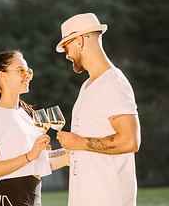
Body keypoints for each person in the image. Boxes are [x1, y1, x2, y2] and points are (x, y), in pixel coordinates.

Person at [55, 13, 141, 206]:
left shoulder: (113, 84)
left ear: (79, 41)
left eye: (66, 47)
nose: (67, 55)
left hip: (107, 199)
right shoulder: (87, 85)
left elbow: (130, 141)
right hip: (84, 197)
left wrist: (79, 142)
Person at [0, 50, 69, 206]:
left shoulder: (29, 115)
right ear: (2, 76)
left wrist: (72, 153)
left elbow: (41, 160)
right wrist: (30, 155)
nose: (27, 75)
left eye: (29, 71)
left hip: (33, 195)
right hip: (8, 198)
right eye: (21, 70)